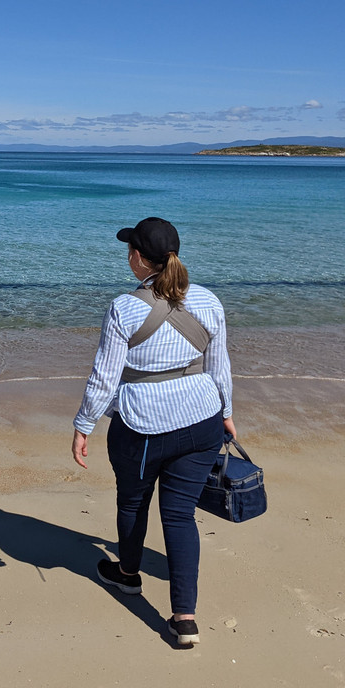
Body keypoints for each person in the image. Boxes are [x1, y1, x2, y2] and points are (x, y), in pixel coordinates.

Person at [71, 217, 236, 648]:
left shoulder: (124, 308)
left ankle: (127, 576)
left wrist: (84, 424)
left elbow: (105, 378)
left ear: (139, 259)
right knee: (180, 516)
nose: (129, 256)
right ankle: (185, 619)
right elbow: (219, 366)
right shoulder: (209, 301)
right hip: (202, 421)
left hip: (143, 426)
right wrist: (227, 413)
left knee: (133, 501)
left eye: (131, 250)